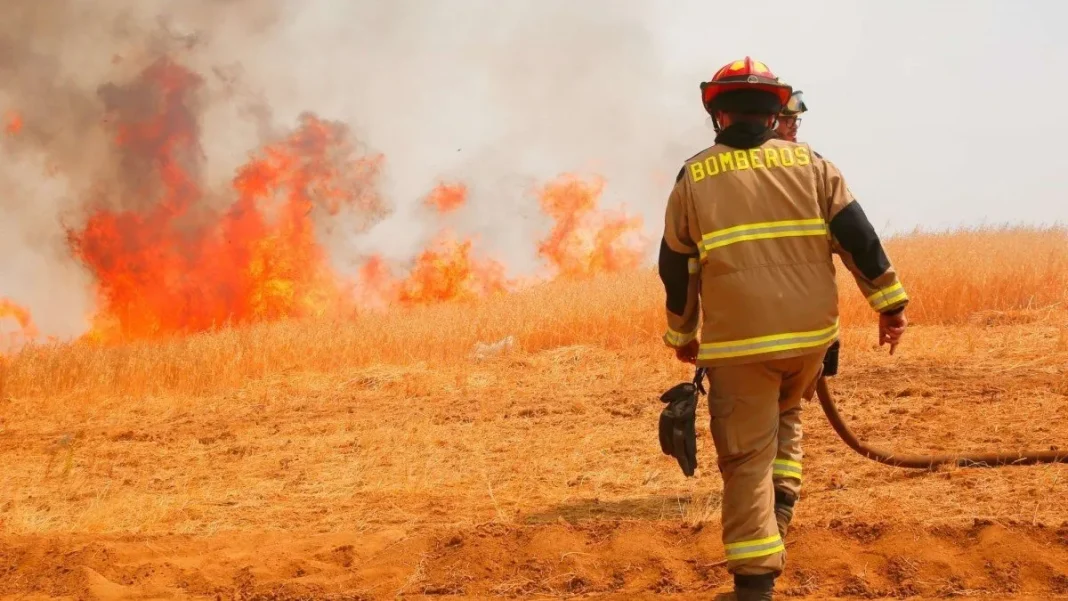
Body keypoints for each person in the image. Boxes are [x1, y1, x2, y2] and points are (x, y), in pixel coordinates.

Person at [657, 56, 908, 601]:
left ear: (719, 115)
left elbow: (677, 265)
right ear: (774, 115)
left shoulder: (694, 176)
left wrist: (682, 334)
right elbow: (859, 237)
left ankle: (754, 586)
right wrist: (889, 303)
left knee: (746, 457)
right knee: (788, 413)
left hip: (740, 348)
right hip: (810, 340)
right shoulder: (813, 164)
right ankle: (782, 510)